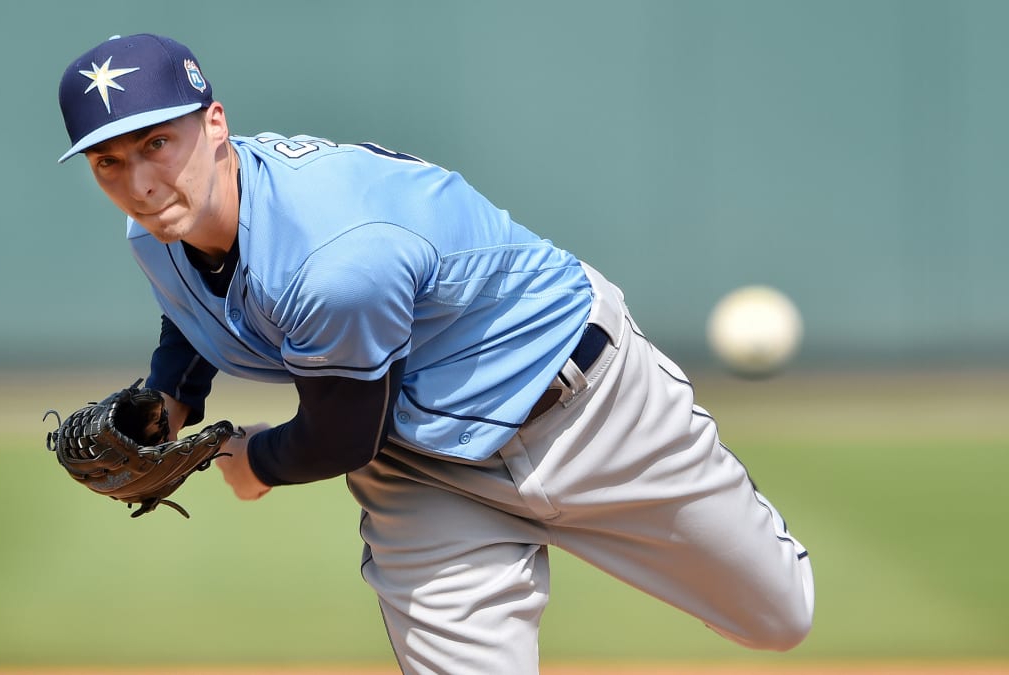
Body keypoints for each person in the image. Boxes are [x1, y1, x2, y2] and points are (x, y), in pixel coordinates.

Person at [56, 33, 814, 675]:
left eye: (157, 143)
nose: (141, 183)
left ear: (214, 122)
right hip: (423, 468)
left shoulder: (334, 258)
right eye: (108, 163)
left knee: (778, 617)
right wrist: (170, 400)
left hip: (588, 406)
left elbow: (343, 435)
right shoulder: (157, 232)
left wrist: (254, 463)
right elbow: (196, 309)